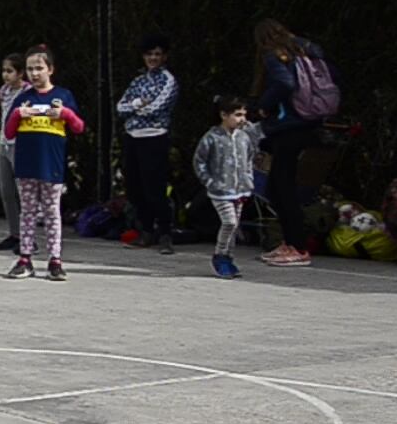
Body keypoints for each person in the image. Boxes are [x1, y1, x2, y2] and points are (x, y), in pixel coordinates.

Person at [252, 19, 341, 267]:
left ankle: (297, 246)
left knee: (282, 188)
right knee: (279, 187)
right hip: (310, 122)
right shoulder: (308, 50)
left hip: (287, 126)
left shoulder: (274, 55)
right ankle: (290, 243)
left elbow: (284, 83)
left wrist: (262, 107)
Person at [4, 47, 86, 281]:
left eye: (39, 68)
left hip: (52, 164)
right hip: (26, 164)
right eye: (30, 69)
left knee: (51, 211)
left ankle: (55, 260)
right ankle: (25, 258)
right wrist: (18, 114)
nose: (34, 73)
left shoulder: (63, 95)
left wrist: (65, 114)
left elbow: (79, 127)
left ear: (50, 69)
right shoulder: (23, 98)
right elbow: (9, 133)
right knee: (28, 211)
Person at [116, 34, 180, 254]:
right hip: (133, 136)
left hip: (155, 137)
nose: (153, 58)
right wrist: (137, 104)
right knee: (134, 186)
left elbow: (157, 108)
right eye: (149, 54)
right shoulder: (138, 81)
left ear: (164, 57)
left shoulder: (168, 80)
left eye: (157, 54)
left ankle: (164, 232)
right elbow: (121, 107)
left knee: (155, 186)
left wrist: (136, 108)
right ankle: (145, 230)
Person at [193, 96, 259, 280]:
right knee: (229, 222)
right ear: (223, 115)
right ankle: (220, 255)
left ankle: (228, 258)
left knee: (234, 225)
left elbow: (249, 159)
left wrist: (248, 180)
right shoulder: (212, 137)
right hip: (220, 191)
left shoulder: (244, 137)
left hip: (240, 189)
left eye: (244, 115)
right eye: (237, 115)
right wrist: (209, 182)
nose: (242, 119)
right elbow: (199, 162)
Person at [0, 53, 28, 252]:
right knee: (7, 191)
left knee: (23, 192)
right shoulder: (3, 91)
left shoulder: (28, 91)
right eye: (4, 71)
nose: (6, 75)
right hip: (4, 143)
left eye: (10, 71)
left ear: (20, 73)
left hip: (20, 144)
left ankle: (27, 235)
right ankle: (14, 233)